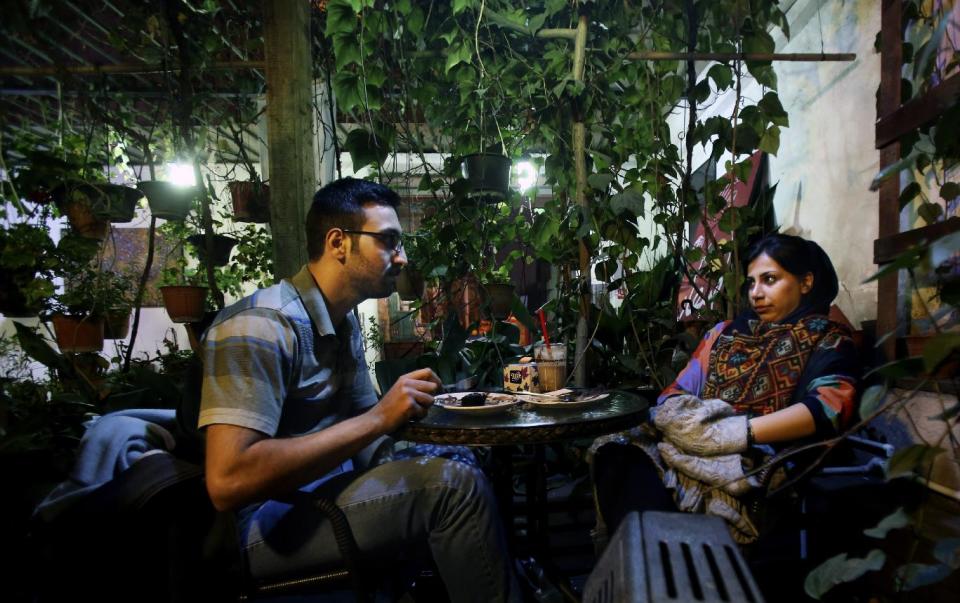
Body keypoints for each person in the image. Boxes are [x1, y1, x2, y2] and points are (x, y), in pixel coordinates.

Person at [199, 177, 520, 601]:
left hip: (334, 492)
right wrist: (379, 420)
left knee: (464, 463)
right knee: (451, 487)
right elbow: (227, 482)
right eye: (388, 241)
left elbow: (374, 438)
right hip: (269, 525)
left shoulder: (342, 320)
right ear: (338, 243)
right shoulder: (260, 325)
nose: (402, 258)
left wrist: (431, 433)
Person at [591, 233, 860, 544]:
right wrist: (693, 424)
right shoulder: (725, 335)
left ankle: (668, 570)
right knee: (617, 455)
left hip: (754, 461)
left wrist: (735, 433)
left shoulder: (828, 339)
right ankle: (648, 571)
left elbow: (829, 409)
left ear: (806, 282)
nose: (756, 293)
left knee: (649, 500)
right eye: (752, 282)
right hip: (690, 444)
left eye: (770, 279)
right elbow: (674, 393)